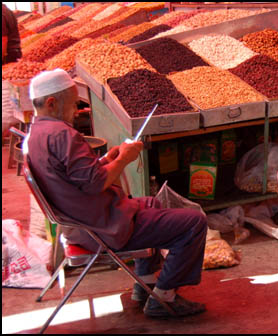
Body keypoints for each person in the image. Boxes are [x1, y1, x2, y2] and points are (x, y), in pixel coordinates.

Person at [24, 69, 208, 318]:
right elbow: (94, 184)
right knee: (194, 222)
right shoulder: (62, 134)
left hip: (76, 223)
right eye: (73, 102)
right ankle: (164, 296)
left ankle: (144, 284)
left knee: (152, 202)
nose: (77, 109)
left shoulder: (35, 133)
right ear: (52, 103)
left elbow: (77, 177)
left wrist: (106, 160)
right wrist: (124, 159)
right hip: (99, 227)